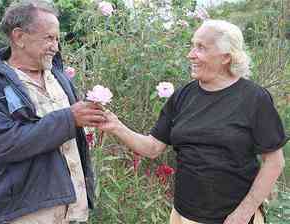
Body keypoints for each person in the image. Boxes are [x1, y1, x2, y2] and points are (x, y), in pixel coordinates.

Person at [99, 20, 287, 224]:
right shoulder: (183, 96)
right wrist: (116, 126)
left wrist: (243, 214)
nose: (190, 54)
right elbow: (153, 148)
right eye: (192, 45)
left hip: (231, 219)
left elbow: (274, 162)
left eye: (201, 48)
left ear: (226, 56)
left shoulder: (254, 98)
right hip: (182, 215)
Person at [0, 1, 106, 223]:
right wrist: (70, 118)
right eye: (49, 38)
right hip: (27, 213)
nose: (56, 46)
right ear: (19, 37)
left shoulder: (57, 77)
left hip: (73, 209)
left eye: (57, 39)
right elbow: (1, 142)